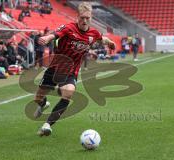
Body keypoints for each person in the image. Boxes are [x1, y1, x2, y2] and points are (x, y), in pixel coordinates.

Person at [34, 2, 116, 137]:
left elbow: (102, 38)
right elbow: (55, 34)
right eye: (82, 18)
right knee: (38, 97)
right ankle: (42, 104)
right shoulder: (69, 28)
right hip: (55, 68)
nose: (84, 21)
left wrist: (111, 42)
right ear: (77, 16)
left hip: (71, 70)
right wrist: (47, 38)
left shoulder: (93, 33)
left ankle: (47, 125)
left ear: (91, 18)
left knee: (69, 93)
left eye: (87, 18)